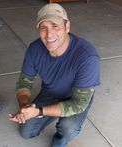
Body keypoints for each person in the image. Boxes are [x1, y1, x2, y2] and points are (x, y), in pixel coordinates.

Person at [8, 3, 100, 147]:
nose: (49, 34)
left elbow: (79, 104)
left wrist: (39, 111)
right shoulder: (34, 49)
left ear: (67, 26)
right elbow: (24, 83)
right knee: (26, 132)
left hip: (75, 97)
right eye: (43, 28)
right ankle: (54, 111)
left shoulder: (87, 56)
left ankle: (60, 140)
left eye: (55, 26)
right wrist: (25, 107)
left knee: (67, 128)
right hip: (50, 92)